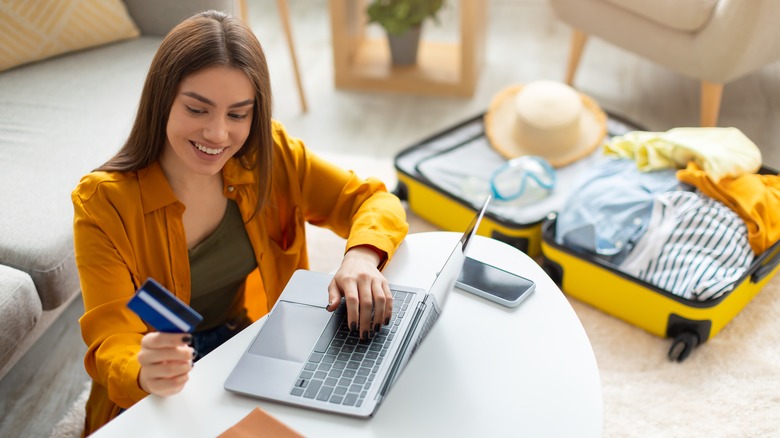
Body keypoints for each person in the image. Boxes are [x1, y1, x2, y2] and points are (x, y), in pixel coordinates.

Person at [71, 10, 408, 435]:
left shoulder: (271, 153)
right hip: (155, 379)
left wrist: (360, 258)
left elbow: (372, 200)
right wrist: (140, 369)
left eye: (238, 114)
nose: (217, 134)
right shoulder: (103, 204)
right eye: (198, 109)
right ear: (162, 101)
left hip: (242, 346)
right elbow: (111, 337)